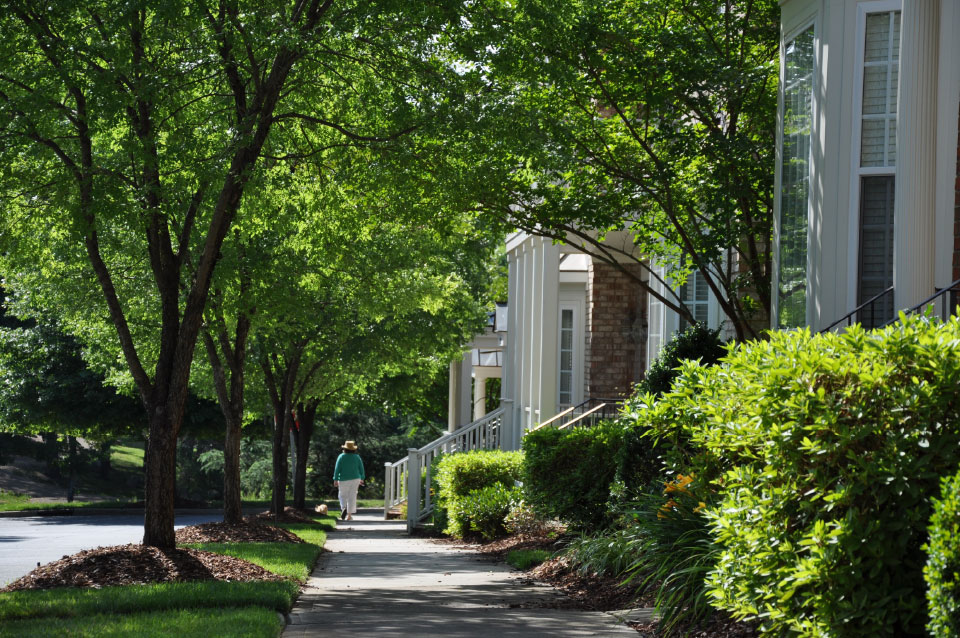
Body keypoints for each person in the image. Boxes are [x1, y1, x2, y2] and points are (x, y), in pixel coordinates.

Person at [333, 440, 365, 521]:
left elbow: (337, 469)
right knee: (352, 496)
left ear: (345, 449)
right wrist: (362, 478)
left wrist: (335, 479)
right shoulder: (357, 457)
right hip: (355, 479)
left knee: (342, 495)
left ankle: (344, 508)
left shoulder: (341, 456)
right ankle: (349, 515)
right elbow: (361, 468)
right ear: (353, 449)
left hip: (343, 479)